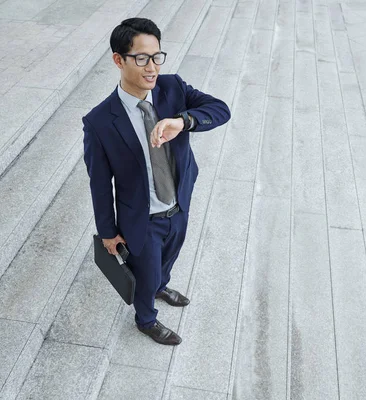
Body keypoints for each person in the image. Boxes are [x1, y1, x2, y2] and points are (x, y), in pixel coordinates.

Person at [82, 18, 230, 345]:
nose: (152, 68)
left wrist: (183, 121)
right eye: (141, 58)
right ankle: (146, 318)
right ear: (118, 60)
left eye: (157, 56)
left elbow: (220, 110)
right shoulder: (100, 122)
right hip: (143, 219)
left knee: (170, 257)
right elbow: (99, 183)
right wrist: (108, 231)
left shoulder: (172, 88)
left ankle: (162, 285)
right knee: (144, 275)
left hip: (178, 203)